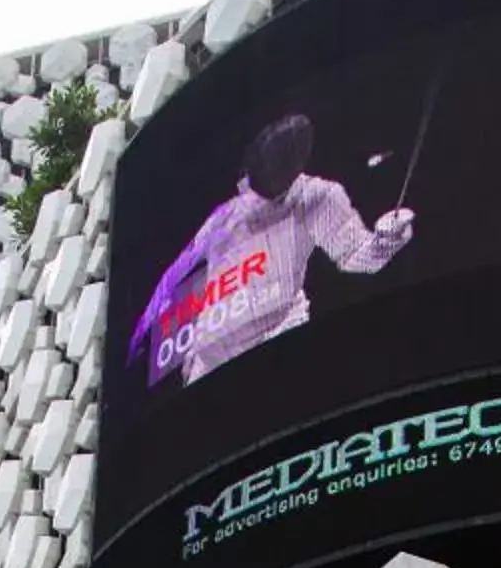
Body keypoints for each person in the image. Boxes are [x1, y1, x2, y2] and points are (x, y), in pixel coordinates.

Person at [127, 111, 415, 390]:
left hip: (274, 344)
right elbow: (174, 274)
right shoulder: (226, 215)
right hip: (210, 364)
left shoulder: (314, 196)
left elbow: (355, 255)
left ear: (291, 169)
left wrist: (386, 240)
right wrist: (142, 331)